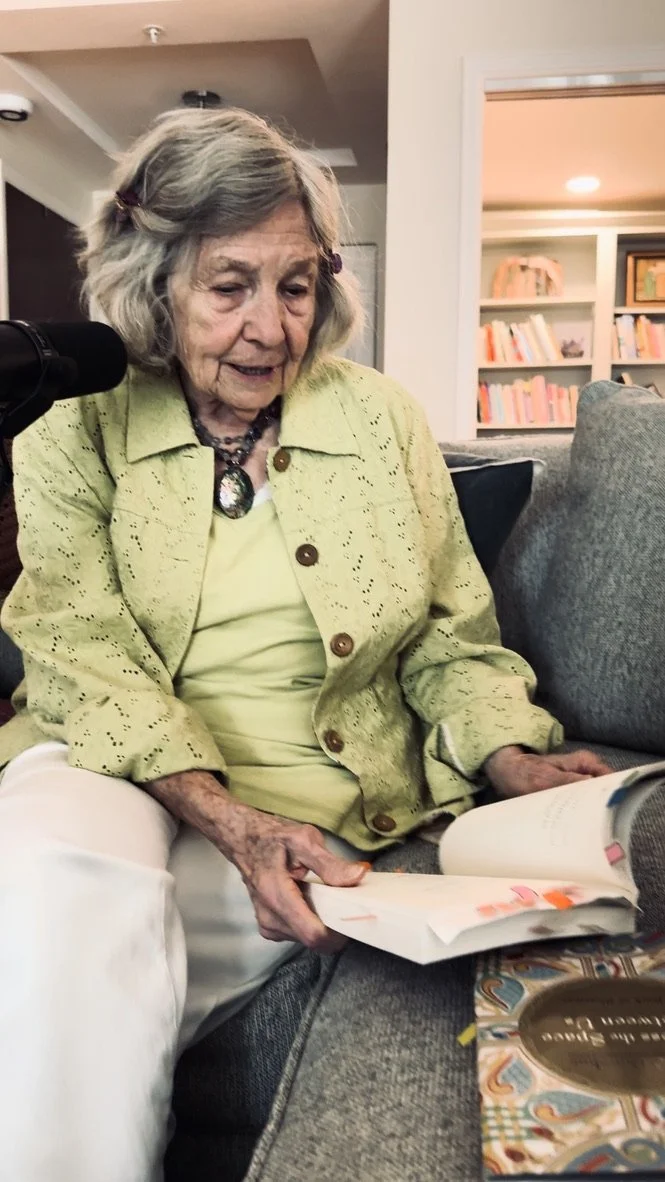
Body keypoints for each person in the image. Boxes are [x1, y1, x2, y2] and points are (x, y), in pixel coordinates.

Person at [0, 107, 609, 1182]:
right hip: (113, 763)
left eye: (295, 286)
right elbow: (78, 640)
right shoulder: (73, 419)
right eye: (228, 286)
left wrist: (505, 750)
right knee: (53, 863)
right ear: (154, 286)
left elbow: (445, 634)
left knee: (81, 970)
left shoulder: (377, 420)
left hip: (330, 802)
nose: (270, 328)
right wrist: (230, 819)